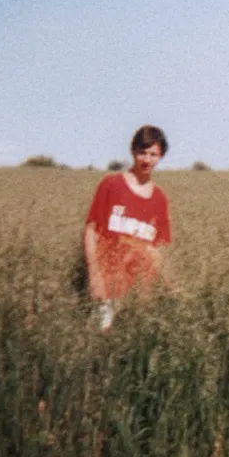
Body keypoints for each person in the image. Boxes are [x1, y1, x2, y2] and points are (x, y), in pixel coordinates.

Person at [84, 125, 172, 329]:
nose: (147, 160)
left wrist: (165, 285)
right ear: (133, 151)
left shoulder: (160, 199)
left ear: (160, 157)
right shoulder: (111, 185)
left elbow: (155, 250)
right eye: (142, 152)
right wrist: (94, 276)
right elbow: (91, 231)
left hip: (139, 293)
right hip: (107, 288)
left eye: (153, 154)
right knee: (99, 342)